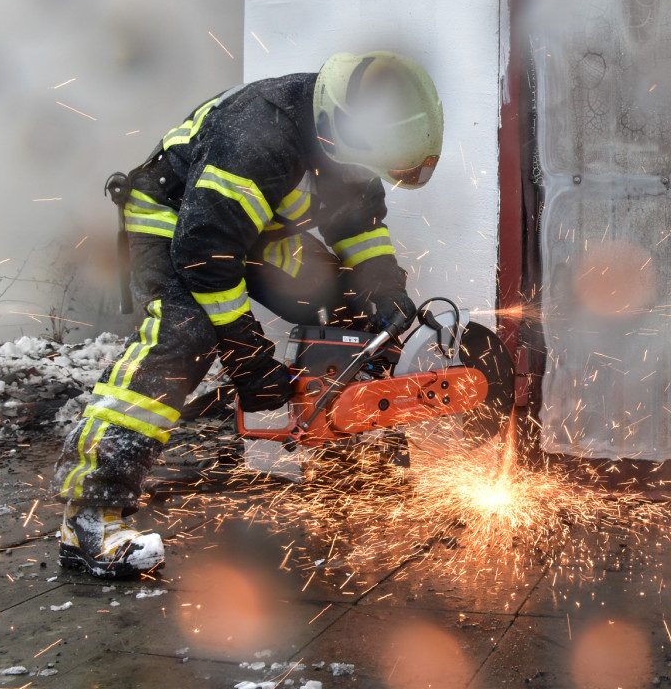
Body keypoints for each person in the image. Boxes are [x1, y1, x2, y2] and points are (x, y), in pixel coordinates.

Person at [52, 51, 443, 578]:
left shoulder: (350, 133)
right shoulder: (259, 135)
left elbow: (358, 223)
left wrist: (383, 285)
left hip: (250, 230)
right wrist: (248, 358)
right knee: (185, 336)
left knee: (347, 303)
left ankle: (343, 469)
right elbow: (205, 254)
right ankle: (90, 517)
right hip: (178, 225)